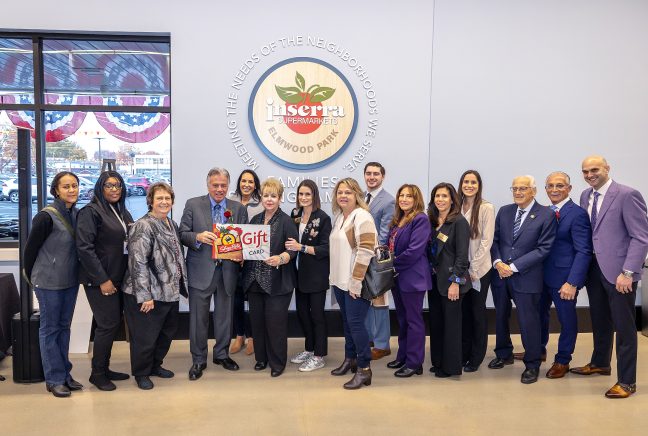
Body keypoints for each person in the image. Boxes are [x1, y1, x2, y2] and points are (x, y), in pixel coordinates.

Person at [570, 156, 648, 398]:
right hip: (594, 269)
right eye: (585, 171)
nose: (590, 174)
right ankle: (600, 362)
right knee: (600, 319)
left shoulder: (627, 194)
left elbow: (641, 237)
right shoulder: (585, 196)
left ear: (607, 169)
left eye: (595, 169)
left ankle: (627, 382)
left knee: (624, 328)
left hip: (619, 273)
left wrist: (628, 272)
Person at [179, 168, 248, 381]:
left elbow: (244, 239)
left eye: (223, 185)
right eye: (215, 185)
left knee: (224, 317)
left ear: (228, 186)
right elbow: (182, 233)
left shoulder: (238, 208)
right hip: (201, 270)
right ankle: (198, 359)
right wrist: (198, 237)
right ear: (207, 185)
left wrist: (242, 255)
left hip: (228, 271)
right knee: (198, 319)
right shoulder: (193, 204)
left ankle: (221, 354)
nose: (219, 189)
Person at [488, 175, 556, 384]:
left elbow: (543, 248)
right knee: (500, 316)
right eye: (515, 188)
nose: (518, 192)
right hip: (500, 274)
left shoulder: (546, 214)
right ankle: (504, 353)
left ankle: (532, 363)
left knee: (528, 321)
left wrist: (514, 267)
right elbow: (495, 240)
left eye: (523, 189)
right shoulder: (505, 211)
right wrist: (498, 262)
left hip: (527, 276)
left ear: (534, 191)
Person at [122, 182, 187, 390]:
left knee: (165, 334)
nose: (164, 202)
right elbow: (137, 262)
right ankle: (141, 373)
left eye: (167, 198)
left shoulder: (171, 223)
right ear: (150, 201)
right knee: (145, 337)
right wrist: (145, 296)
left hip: (169, 291)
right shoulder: (143, 225)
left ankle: (154, 365)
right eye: (159, 198)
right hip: (148, 294)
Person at [23, 172, 83, 398]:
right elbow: (29, 251)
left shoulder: (75, 213)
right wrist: (33, 278)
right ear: (56, 190)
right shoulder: (46, 216)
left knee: (64, 327)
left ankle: (65, 374)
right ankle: (54, 379)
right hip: (48, 282)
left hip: (69, 280)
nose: (71, 190)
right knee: (49, 329)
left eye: (74, 186)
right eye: (66, 186)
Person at [76, 171, 134, 391]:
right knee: (107, 325)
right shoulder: (90, 212)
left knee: (111, 325)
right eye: (109, 185)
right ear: (100, 187)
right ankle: (97, 374)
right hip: (100, 281)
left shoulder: (121, 211)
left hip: (118, 278)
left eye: (118, 185)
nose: (114, 189)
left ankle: (105, 368)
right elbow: (84, 248)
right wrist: (102, 279)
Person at [242, 178, 298, 377]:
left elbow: (293, 251)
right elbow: (248, 248)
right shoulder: (255, 220)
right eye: (266, 195)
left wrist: (281, 258)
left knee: (275, 324)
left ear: (280, 198)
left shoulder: (287, 221)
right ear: (261, 197)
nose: (269, 199)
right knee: (257, 322)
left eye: (273, 196)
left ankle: (277, 362)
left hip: (278, 282)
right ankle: (261, 358)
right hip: (254, 280)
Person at [539, 172, 592, 379]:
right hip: (540, 275)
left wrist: (572, 282)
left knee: (566, 319)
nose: (554, 189)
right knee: (538, 315)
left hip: (564, 279)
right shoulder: (543, 212)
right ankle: (538, 349)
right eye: (550, 185)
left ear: (569, 189)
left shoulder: (577, 214)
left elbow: (584, 250)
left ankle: (563, 359)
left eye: (559, 185)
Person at [329, 177, 377, 389]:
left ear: (357, 194)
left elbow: (366, 250)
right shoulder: (340, 217)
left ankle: (364, 369)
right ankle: (350, 359)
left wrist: (356, 281)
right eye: (340, 192)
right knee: (348, 323)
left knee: (356, 325)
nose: (343, 196)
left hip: (354, 283)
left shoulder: (362, 216)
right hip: (340, 282)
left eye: (348, 192)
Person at [286, 180, 332, 372]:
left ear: (314, 196)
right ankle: (309, 348)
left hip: (316, 275)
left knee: (317, 316)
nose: (303, 198)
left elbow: (325, 249)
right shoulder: (295, 214)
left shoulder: (323, 218)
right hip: (298, 273)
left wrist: (302, 247)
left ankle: (319, 355)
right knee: (303, 314)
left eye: (307, 194)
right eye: (300, 194)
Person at [385, 184, 431, 377]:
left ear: (416, 199)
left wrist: (392, 264)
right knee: (403, 320)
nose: (403, 199)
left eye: (408, 196)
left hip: (413, 279)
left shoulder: (421, 219)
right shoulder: (398, 220)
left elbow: (414, 251)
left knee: (414, 321)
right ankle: (403, 355)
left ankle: (415, 363)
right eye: (401, 195)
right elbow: (392, 246)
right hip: (398, 278)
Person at [427, 183, 471, 378]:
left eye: (445, 196)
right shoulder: (431, 220)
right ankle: (438, 362)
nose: (440, 200)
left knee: (452, 326)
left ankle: (451, 367)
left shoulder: (459, 222)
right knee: (436, 324)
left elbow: (462, 257)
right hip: (434, 281)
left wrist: (456, 282)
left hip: (452, 283)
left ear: (452, 199)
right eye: (437, 196)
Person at [458, 170, 495, 372]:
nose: (469, 185)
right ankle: (463, 353)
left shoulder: (486, 208)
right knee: (463, 313)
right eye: (466, 181)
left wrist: (473, 268)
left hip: (479, 271)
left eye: (473, 182)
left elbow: (487, 241)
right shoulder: (457, 207)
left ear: (479, 185)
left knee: (477, 312)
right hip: (461, 270)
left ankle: (476, 356)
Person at [228, 169, 264, 356]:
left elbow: (260, 234)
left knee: (253, 301)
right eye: (243, 181)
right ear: (239, 183)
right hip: (233, 259)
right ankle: (239, 335)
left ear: (255, 184)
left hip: (252, 260)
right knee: (236, 300)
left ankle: (253, 338)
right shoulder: (230, 201)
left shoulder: (261, 205)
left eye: (251, 181)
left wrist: (247, 254)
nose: (247, 185)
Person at [363, 162, 395, 360]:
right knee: (366, 300)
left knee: (380, 301)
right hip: (361, 257)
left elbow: (384, 235)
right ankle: (369, 339)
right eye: (368, 173)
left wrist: (369, 255)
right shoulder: (361, 197)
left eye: (376, 174)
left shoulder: (388, 201)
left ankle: (383, 344)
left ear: (383, 176)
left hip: (376, 259)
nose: (372, 177)